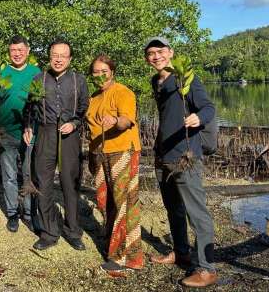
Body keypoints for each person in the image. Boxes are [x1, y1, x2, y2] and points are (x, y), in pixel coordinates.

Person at [144, 37, 218, 288]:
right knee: (173, 209)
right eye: (151, 53)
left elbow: (208, 107)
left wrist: (198, 117)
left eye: (160, 51)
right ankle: (181, 251)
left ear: (171, 53)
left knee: (197, 213)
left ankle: (207, 268)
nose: (156, 56)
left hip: (185, 156)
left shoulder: (186, 77)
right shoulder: (156, 81)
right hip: (163, 156)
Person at [24, 38, 89, 251]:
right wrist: (28, 127)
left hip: (69, 136)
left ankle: (73, 231)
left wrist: (74, 123)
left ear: (70, 58)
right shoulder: (38, 79)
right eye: (55, 55)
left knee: (70, 183)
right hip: (45, 133)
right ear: (49, 56)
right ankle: (48, 232)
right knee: (43, 183)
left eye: (63, 55)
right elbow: (29, 107)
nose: (58, 59)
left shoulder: (79, 80)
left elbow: (83, 109)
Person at [85, 55, 143, 272]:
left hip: (122, 151)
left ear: (112, 72)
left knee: (124, 203)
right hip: (100, 153)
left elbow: (127, 119)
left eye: (104, 71)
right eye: (95, 72)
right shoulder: (94, 97)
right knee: (104, 200)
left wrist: (115, 121)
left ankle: (126, 258)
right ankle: (111, 242)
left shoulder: (123, 92)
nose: (100, 75)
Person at [0, 35, 41, 232]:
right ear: (9, 52)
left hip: (30, 133)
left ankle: (29, 212)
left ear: (27, 51)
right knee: (9, 175)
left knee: (28, 174)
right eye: (13, 50)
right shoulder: (0, 74)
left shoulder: (37, 73)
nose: (17, 54)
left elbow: (42, 102)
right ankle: (12, 213)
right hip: (6, 133)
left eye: (20, 50)